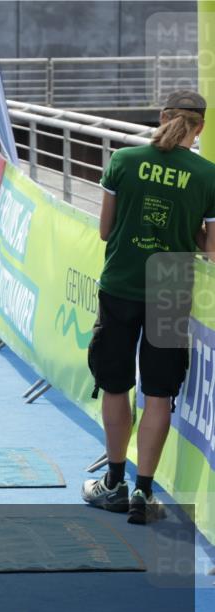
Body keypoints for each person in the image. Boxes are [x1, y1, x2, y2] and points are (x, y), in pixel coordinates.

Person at [82, 90, 215, 524]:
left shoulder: (124, 160)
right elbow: (210, 249)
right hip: (171, 286)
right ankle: (143, 491)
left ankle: (113, 482)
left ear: (161, 117)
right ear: (200, 128)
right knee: (159, 393)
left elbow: (106, 230)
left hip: (121, 282)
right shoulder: (208, 175)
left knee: (116, 385)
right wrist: (186, 224)